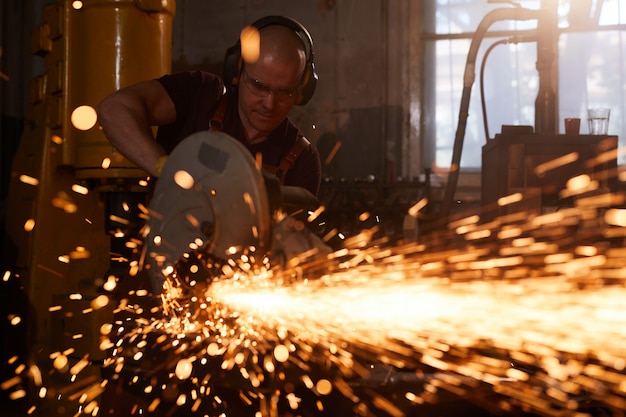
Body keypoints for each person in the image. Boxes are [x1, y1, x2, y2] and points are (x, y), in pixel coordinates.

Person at [96, 15, 322, 196]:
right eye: (259, 86)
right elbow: (113, 110)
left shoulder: (301, 157)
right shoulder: (201, 95)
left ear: (302, 90)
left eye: (285, 91)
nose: (270, 104)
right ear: (236, 71)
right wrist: (166, 168)